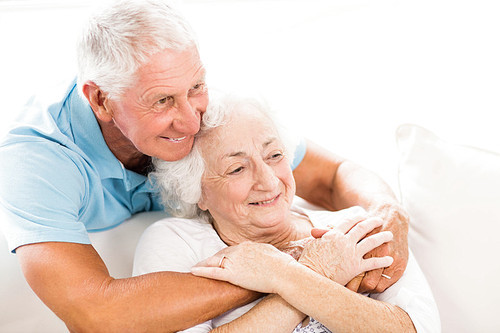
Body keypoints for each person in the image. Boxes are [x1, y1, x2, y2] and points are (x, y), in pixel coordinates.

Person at [0, 0, 409, 331]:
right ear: (102, 100)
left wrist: (391, 216)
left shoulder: (197, 97)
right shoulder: (35, 160)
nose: (194, 120)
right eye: (162, 101)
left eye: (196, 87)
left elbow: (333, 175)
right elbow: (97, 315)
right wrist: (296, 269)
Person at [133, 94, 440, 332]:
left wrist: (284, 275)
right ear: (196, 191)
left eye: (275, 155)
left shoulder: (356, 228)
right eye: (237, 168)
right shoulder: (177, 243)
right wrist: (312, 272)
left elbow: (417, 329)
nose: (268, 181)